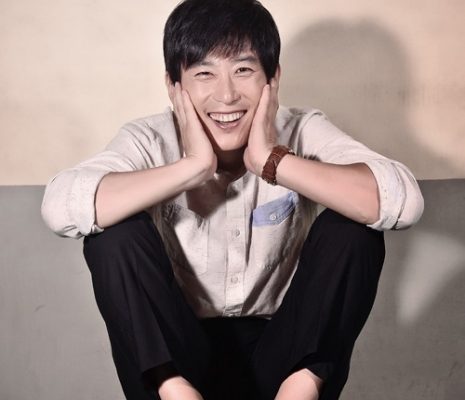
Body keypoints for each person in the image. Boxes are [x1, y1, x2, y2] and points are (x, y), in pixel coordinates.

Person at [41, 0, 424, 399]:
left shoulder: (300, 129)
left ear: (272, 78)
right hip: (179, 356)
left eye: (243, 70)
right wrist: (193, 167)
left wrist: (270, 161)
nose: (226, 95)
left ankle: (300, 391)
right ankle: (175, 393)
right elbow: (60, 206)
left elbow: (402, 201)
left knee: (353, 229)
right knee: (113, 236)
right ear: (174, 86)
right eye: (204, 73)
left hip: (283, 354)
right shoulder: (150, 138)